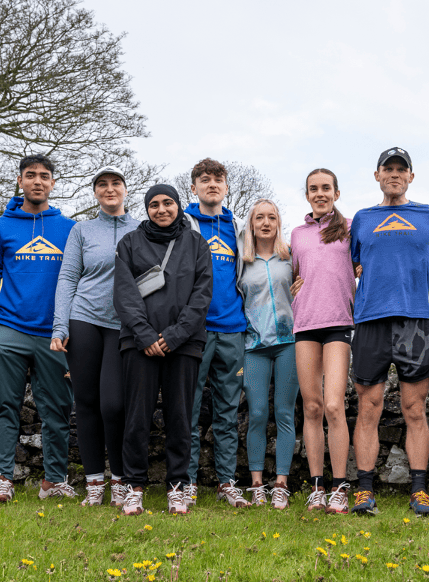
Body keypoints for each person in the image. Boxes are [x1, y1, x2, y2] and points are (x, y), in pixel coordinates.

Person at [350, 147, 429, 516]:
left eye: (401, 169)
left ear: (411, 176)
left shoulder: (428, 215)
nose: (394, 174)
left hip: (414, 321)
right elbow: (350, 264)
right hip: (370, 319)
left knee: (414, 408)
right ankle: (364, 490)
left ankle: (419, 491)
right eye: (387, 169)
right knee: (368, 407)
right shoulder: (361, 218)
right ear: (376, 175)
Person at [113, 184, 213, 516]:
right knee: (136, 418)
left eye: (168, 203)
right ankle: (133, 487)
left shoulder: (197, 244)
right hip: (138, 344)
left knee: (180, 418)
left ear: (178, 205)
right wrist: (145, 336)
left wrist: (174, 335)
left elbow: (201, 294)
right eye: (154, 204)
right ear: (146, 209)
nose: (161, 209)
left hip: (184, 344)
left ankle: (177, 487)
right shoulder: (129, 243)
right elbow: (124, 294)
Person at [0, 154, 76, 503]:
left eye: (45, 176)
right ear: (20, 181)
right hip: (9, 328)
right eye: (31, 175)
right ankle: (3, 481)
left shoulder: (69, 229)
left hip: (55, 334)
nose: (38, 181)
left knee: (57, 410)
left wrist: (68, 329)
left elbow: (77, 281)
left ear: (53, 183)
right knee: (5, 406)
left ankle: (53, 481)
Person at [52, 166, 140, 507]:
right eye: (102, 184)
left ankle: (119, 479)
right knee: (86, 404)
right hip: (84, 319)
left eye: (115, 183)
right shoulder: (81, 230)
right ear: (95, 192)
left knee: (114, 405)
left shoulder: (142, 229)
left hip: (124, 325)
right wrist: (60, 326)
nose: (109, 189)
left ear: (125, 189)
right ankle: (93, 484)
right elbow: (67, 278)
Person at [183, 158, 251, 508]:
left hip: (233, 330)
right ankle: (187, 482)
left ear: (226, 187)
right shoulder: (182, 223)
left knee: (227, 412)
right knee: (189, 411)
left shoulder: (239, 228)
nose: (212, 185)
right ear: (193, 187)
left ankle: (227, 482)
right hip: (194, 332)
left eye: (218, 179)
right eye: (204, 180)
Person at [289, 169, 356, 513]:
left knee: (333, 406)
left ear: (336, 193)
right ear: (307, 195)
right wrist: (291, 289)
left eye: (326, 188)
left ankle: (340, 486)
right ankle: (317, 486)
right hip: (304, 325)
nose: (320, 193)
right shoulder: (297, 235)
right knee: (312, 407)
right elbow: (290, 277)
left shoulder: (349, 229)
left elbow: (364, 263)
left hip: (339, 323)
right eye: (313, 189)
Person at [238, 199, 299, 509]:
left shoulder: (291, 258)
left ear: (278, 222)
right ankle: (257, 484)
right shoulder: (242, 262)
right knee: (258, 413)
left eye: (271, 217)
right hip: (253, 347)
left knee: (285, 414)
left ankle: (281, 484)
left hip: (289, 343)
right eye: (259, 217)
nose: (265, 222)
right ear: (251, 223)